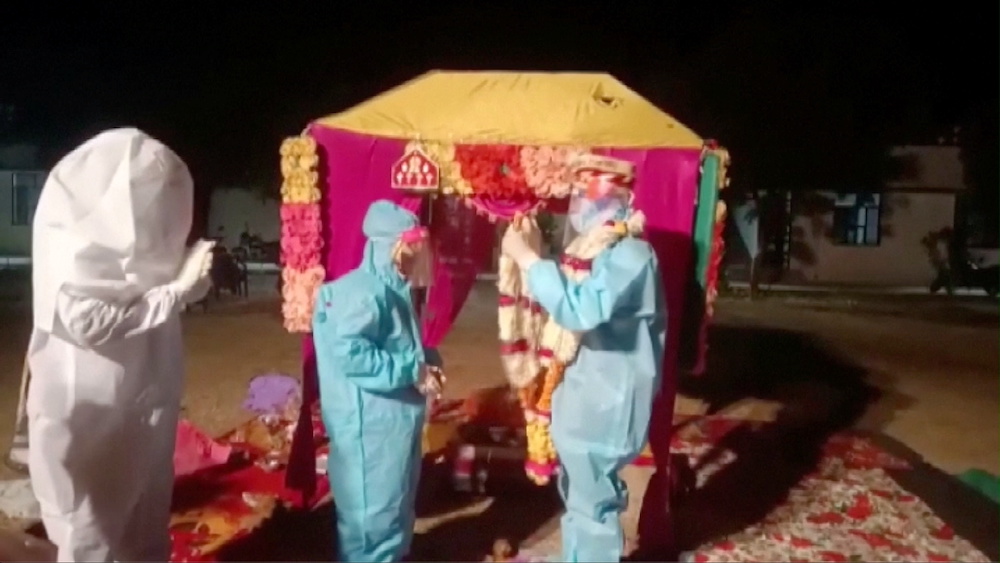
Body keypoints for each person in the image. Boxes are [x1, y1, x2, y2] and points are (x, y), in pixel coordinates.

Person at [28, 128, 215, 561]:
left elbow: (154, 292)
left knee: (146, 517)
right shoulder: (75, 244)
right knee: (92, 529)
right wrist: (175, 292)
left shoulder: (140, 242)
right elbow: (89, 322)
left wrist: (187, 280)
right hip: (91, 410)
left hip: (146, 398)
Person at [501, 154, 666, 562]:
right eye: (576, 192)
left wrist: (528, 260)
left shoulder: (631, 254)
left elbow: (581, 309)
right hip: (581, 399)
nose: (578, 203)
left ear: (615, 195)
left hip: (608, 403)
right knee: (578, 499)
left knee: (593, 506)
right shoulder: (591, 249)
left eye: (586, 192)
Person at [312, 200, 445, 562]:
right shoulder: (363, 292)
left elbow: (397, 345)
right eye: (411, 251)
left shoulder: (392, 291)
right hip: (370, 431)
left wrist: (426, 362)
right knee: (373, 523)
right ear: (390, 247)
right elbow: (350, 353)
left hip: (390, 429)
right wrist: (410, 370)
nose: (417, 261)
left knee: (393, 513)